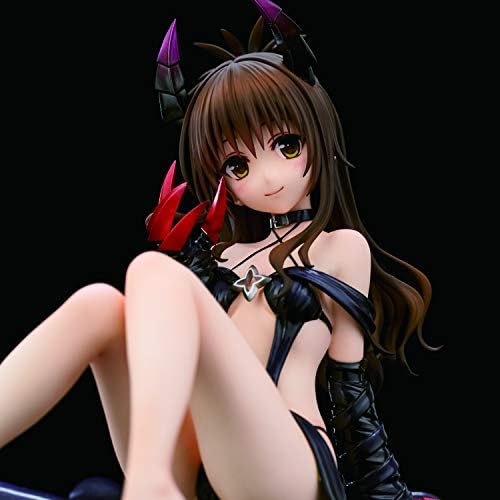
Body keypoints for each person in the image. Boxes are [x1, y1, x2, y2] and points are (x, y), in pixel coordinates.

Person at [0, 1, 441, 499]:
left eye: (287, 146)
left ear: (318, 133)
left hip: (290, 466)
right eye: (238, 165)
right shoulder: (220, 257)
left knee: (151, 270)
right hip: (207, 463)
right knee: (97, 304)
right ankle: (153, 475)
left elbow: (350, 391)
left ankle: (148, 480)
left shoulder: (340, 248)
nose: (268, 177)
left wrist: (389, 494)